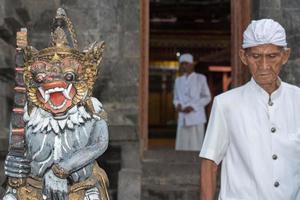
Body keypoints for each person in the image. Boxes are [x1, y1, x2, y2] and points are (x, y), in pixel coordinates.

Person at [199, 19, 300, 200]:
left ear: (285, 56)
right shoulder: (226, 104)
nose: (263, 66)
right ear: (243, 57)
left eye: (272, 56)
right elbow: (210, 163)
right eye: (255, 56)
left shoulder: (298, 100)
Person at [173, 53, 211, 151]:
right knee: (182, 146)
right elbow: (176, 98)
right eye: (182, 64)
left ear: (192, 64)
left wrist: (193, 106)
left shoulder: (201, 78)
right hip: (183, 117)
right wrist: (177, 105)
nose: (184, 66)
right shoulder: (178, 80)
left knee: (196, 146)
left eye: (186, 64)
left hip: (196, 117)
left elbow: (207, 97)